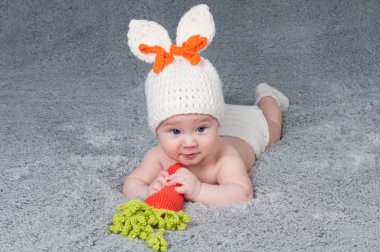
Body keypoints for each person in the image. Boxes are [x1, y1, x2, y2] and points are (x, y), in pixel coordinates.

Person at [122, 4, 289, 206]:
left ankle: (267, 96)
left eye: (201, 129)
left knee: (273, 131)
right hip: (216, 113)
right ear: (157, 131)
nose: (189, 142)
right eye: (175, 131)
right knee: (195, 117)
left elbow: (242, 193)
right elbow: (132, 182)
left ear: (217, 124)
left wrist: (198, 190)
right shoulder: (158, 157)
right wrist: (146, 191)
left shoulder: (224, 157)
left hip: (248, 130)